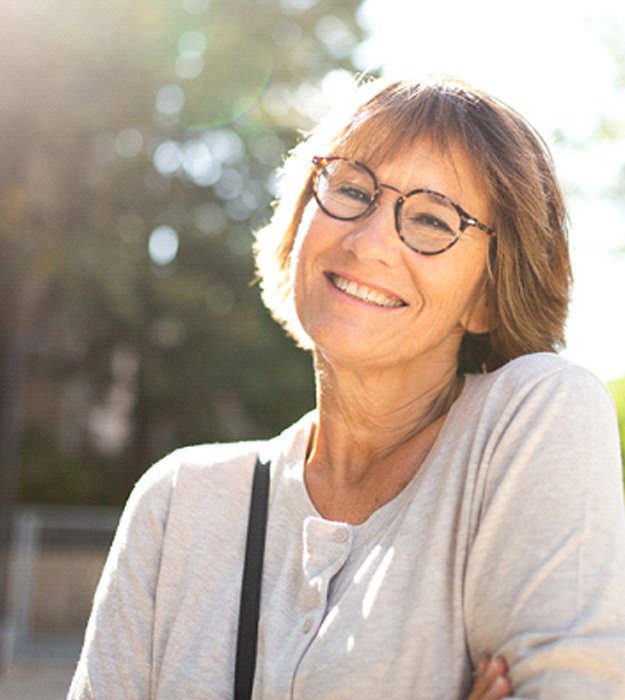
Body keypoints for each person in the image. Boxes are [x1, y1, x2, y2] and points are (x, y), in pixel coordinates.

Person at [68, 75, 625, 699]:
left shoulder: (536, 418)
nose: (369, 241)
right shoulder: (178, 504)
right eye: (352, 189)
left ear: (490, 297)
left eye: (432, 219)